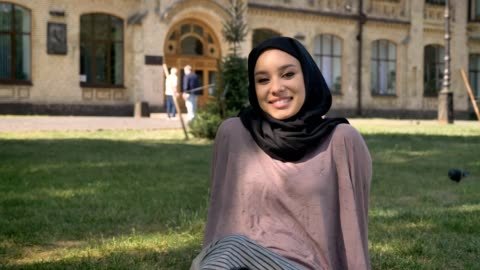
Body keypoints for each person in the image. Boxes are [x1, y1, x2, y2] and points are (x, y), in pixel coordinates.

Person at [190, 37, 372, 270]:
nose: (276, 88)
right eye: (263, 80)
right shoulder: (233, 134)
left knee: (232, 246)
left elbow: (353, 229)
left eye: (288, 75)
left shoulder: (342, 139)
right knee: (229, 247)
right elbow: (219, 216)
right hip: (237, 263)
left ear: (307, 76)